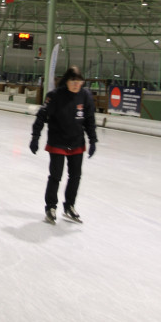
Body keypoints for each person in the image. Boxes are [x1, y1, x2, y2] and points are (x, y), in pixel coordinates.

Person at [29, 66, 97, 225]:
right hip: (58, 141)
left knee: (75, 177)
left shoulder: (85, 96)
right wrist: (35, 137)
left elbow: (89, 120)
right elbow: (41, 117)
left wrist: (93, 140)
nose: (76, 84)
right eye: (73, 81)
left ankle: (69, 205)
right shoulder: (54, 96)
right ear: (66, 81)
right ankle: (51, 207)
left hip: (76, 142)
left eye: (79, 81)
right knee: (55, 176)